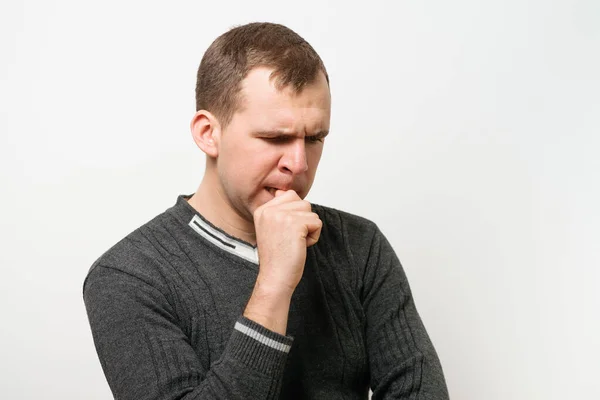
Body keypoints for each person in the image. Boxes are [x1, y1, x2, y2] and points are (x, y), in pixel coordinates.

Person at [83, 22, 450, 400]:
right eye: (276, 137)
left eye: (314, 138)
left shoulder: (360, 246)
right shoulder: (128, 277)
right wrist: (274, 284)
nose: (299, 163)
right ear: (209, 133)